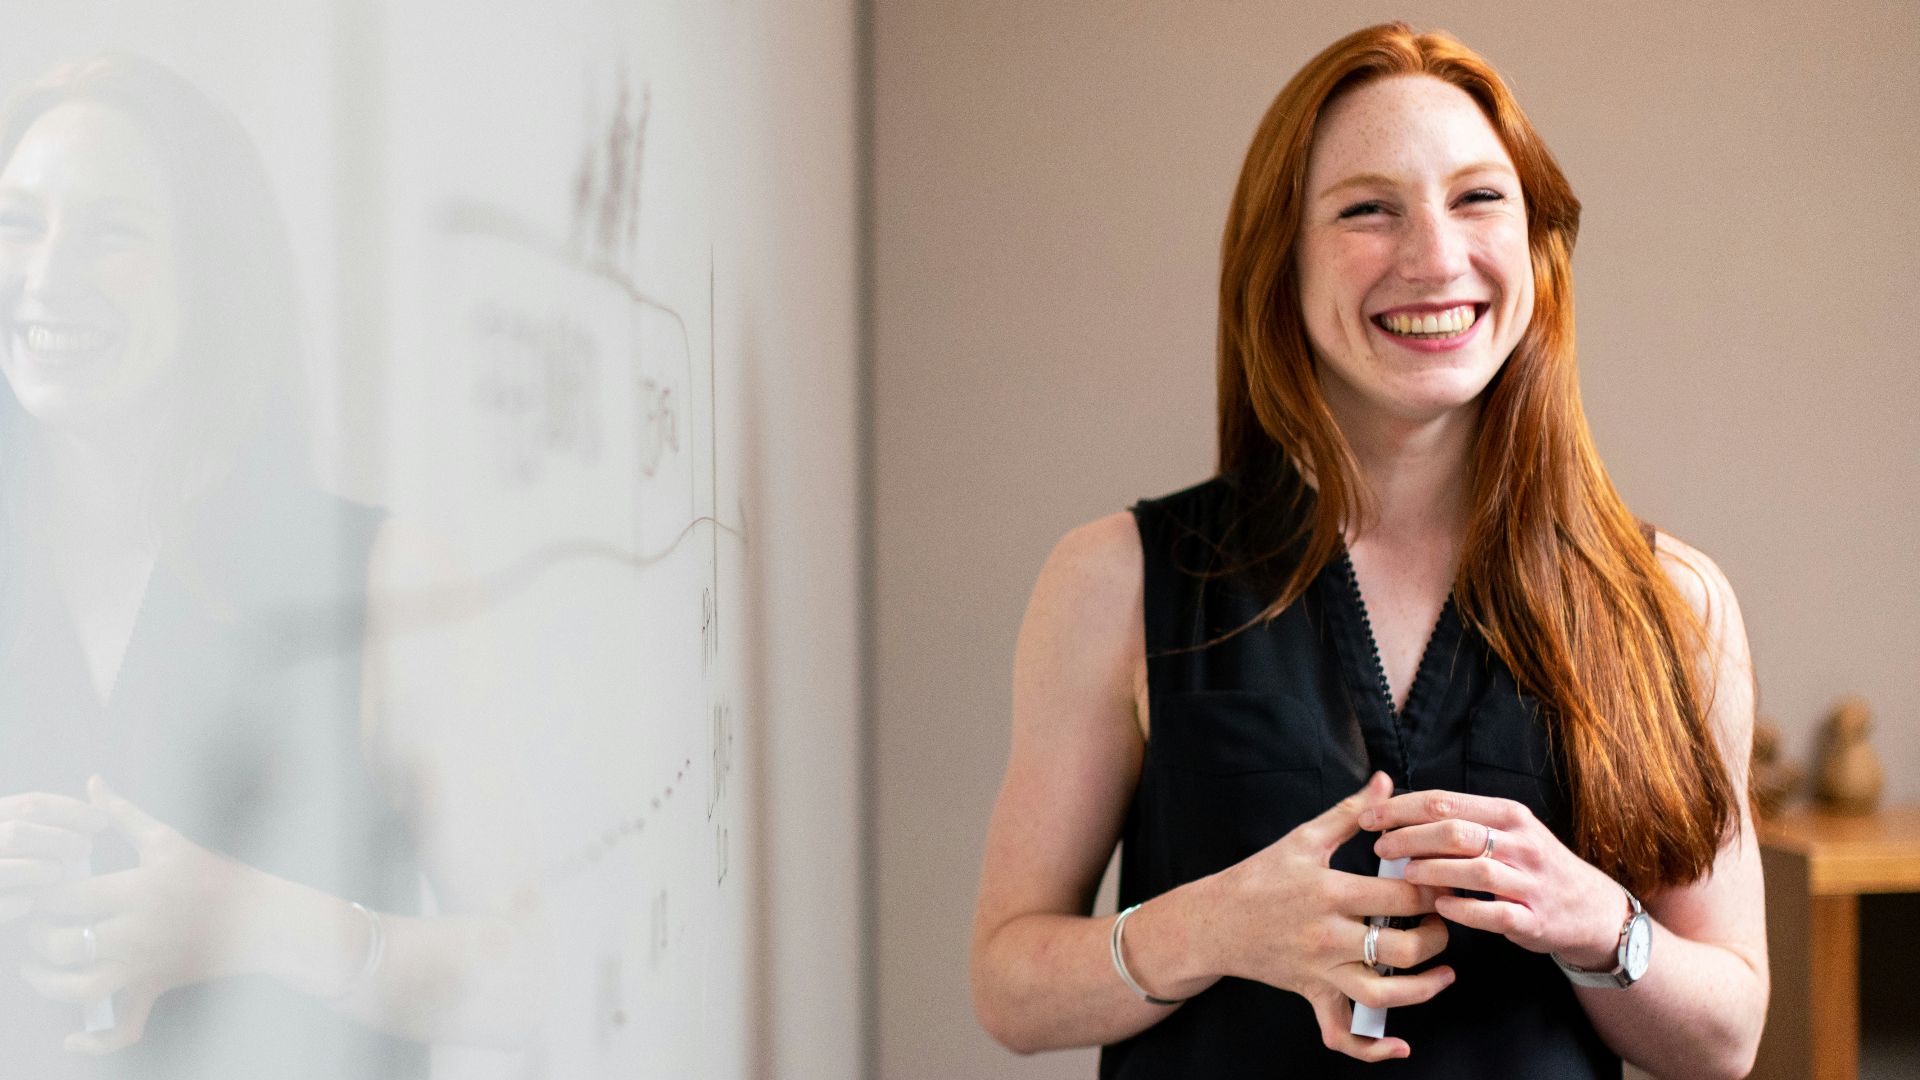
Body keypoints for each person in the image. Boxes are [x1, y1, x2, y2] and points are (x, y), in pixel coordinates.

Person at [971, 23, 1767, 1079]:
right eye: (1367, 209)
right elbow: (1010, 989)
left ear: (1535, 245)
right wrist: (1210, 927)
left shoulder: (1672, 603)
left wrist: (1599, 925)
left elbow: (1730, 1037)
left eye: (1479, 199)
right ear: (1280, 266)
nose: (1436, 258)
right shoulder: (1116, 582)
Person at [0, 55, 537, 1075]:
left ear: (215, 276)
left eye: (112, 233)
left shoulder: (383, 582)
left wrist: (251, 920)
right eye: (18, 222)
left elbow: (539, 977)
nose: (47, 275)